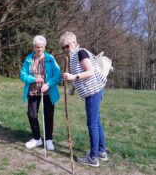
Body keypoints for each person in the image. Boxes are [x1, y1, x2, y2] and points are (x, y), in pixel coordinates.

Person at [60, 31, 108, 167]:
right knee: (96, 122)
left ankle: (93, 158)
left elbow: (90, 71)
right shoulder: (74, 55)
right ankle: (101, 151)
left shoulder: (81, 53)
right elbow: (79, 73)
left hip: (93, 92)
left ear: (74, 43)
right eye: (63, 47)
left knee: (92, 124)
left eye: (67, 46)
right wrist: (73, 88)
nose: (66, 49)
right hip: (92, 92)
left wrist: (73, 77)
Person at [20, 35, 61, 151]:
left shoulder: (50, 59)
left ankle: (48, 140)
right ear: (33, 47)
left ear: (45, 47)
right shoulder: (29, 59)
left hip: (48, 91)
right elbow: (22, 75)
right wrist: (33, 79)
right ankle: (37, 138)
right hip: (33, 90)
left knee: (48, 115)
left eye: (42, 47)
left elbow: (57, 75)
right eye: (37, 47)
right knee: (32, 114)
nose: (40, 49)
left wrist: (48, 84)